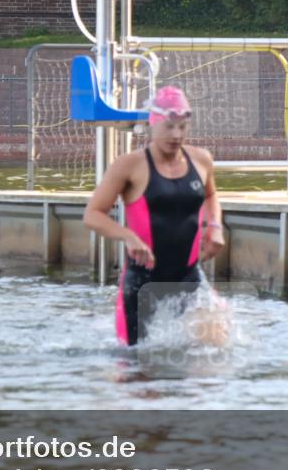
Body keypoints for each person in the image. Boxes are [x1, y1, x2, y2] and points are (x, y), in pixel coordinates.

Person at [83, 86, 226, 346]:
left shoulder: (201, 160)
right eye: (169, 127)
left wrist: (214, 225)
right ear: (153, 123)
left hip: (188, 276)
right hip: (143, 281)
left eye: (183, 127)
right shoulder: (129, 165)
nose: (176, 135)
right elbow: (93, 214)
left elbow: (210, 195)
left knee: (214, 351)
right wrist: (128, 236)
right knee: (135, 365)